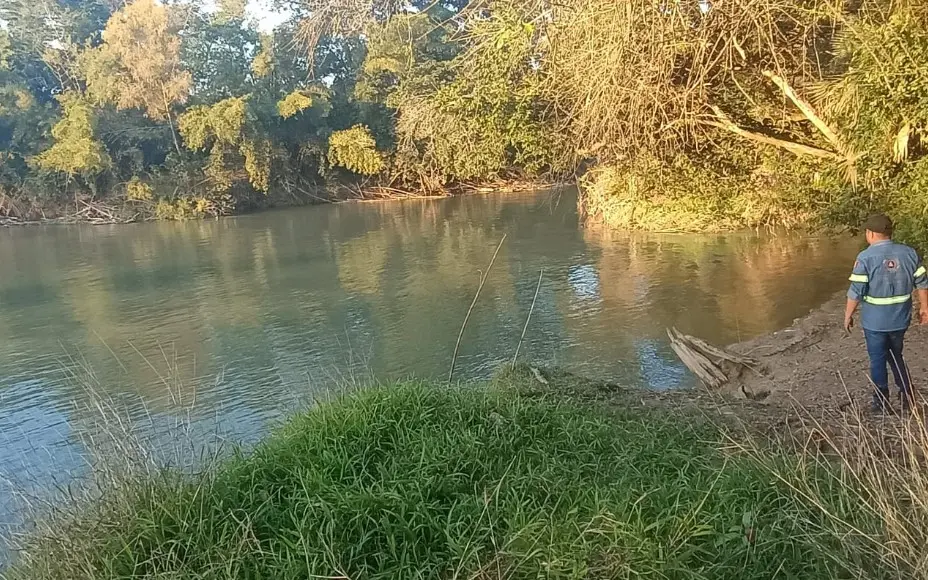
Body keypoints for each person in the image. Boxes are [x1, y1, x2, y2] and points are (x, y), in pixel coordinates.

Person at [845, 213, 928, 412]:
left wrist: (848, 315)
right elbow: (922, 283)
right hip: (900, 318)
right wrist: (924, 308)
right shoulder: (909, 253)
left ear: (871, 233)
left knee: (878, 359)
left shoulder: (865, 257)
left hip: (875, 322)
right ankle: (907, 395)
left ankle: (881, 402)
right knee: (895, 354)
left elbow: (856, 291)